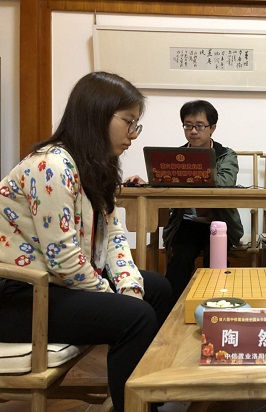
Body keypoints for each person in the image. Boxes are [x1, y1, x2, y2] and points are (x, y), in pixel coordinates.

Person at [0, 72, 172, 412]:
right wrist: (115, 297)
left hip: (52, 285)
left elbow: (114, 237)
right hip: (18, 296)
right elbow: (63, 259)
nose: (133, 135)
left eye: (136, 125)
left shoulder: (92, 166)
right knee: (135, 317)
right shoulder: (50, 166)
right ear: (97, 115)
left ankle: (149, 398)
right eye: (128, 122)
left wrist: (129, 286)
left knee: (157, 288)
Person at [162, 100, 244, 305]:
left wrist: (191, 171)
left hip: (219, 223)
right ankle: (170, 312)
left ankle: (217, 304)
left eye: (199, 126)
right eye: (188, 125)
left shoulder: (226, 155)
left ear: (212, 128)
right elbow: (162, 183)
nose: (193, 131)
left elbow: (225, 183)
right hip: (185, 223)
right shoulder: (175, 156)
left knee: (214, 259)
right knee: (180, 259)